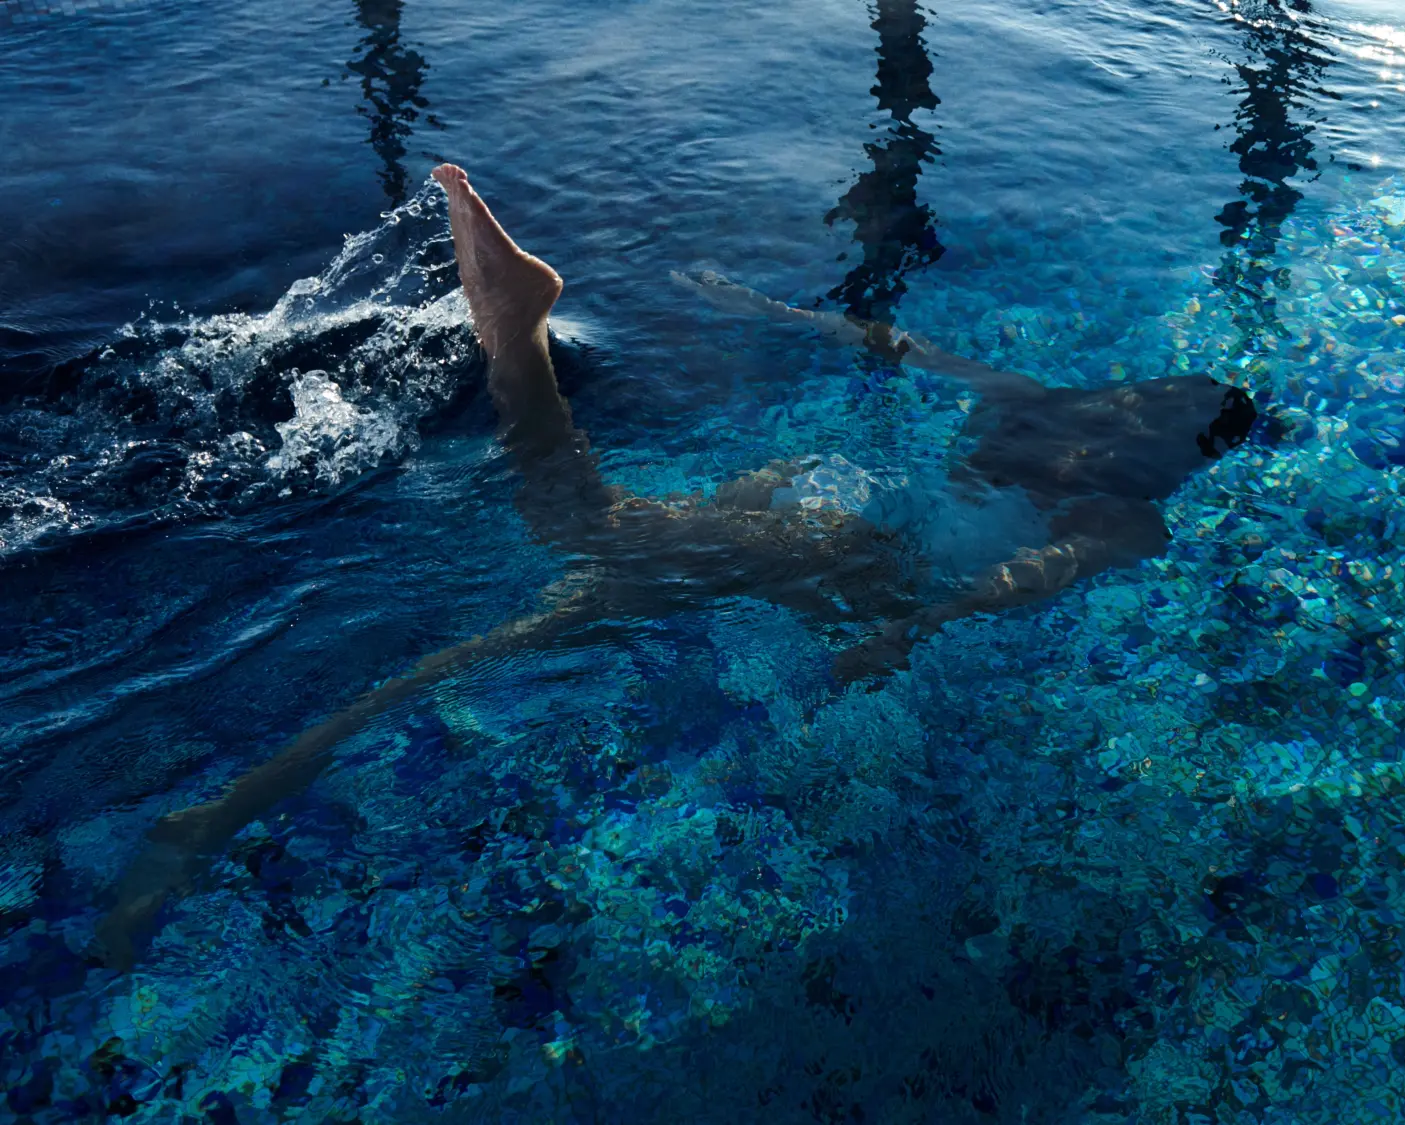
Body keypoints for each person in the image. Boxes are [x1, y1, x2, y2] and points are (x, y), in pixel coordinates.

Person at [93, 163, 1258, 968]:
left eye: (1169, 405)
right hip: (845, 556)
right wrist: (761, 307)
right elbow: (897, 345)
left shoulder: (1119, 514)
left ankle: (216, 814)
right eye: (1163, 389)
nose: (1146, 402)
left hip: (860, 574)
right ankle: (517, 332)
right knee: (572, 543)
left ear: (1175, 446)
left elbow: (1026, 578)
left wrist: (923, 624)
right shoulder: (1056, 426)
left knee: (540, 605)